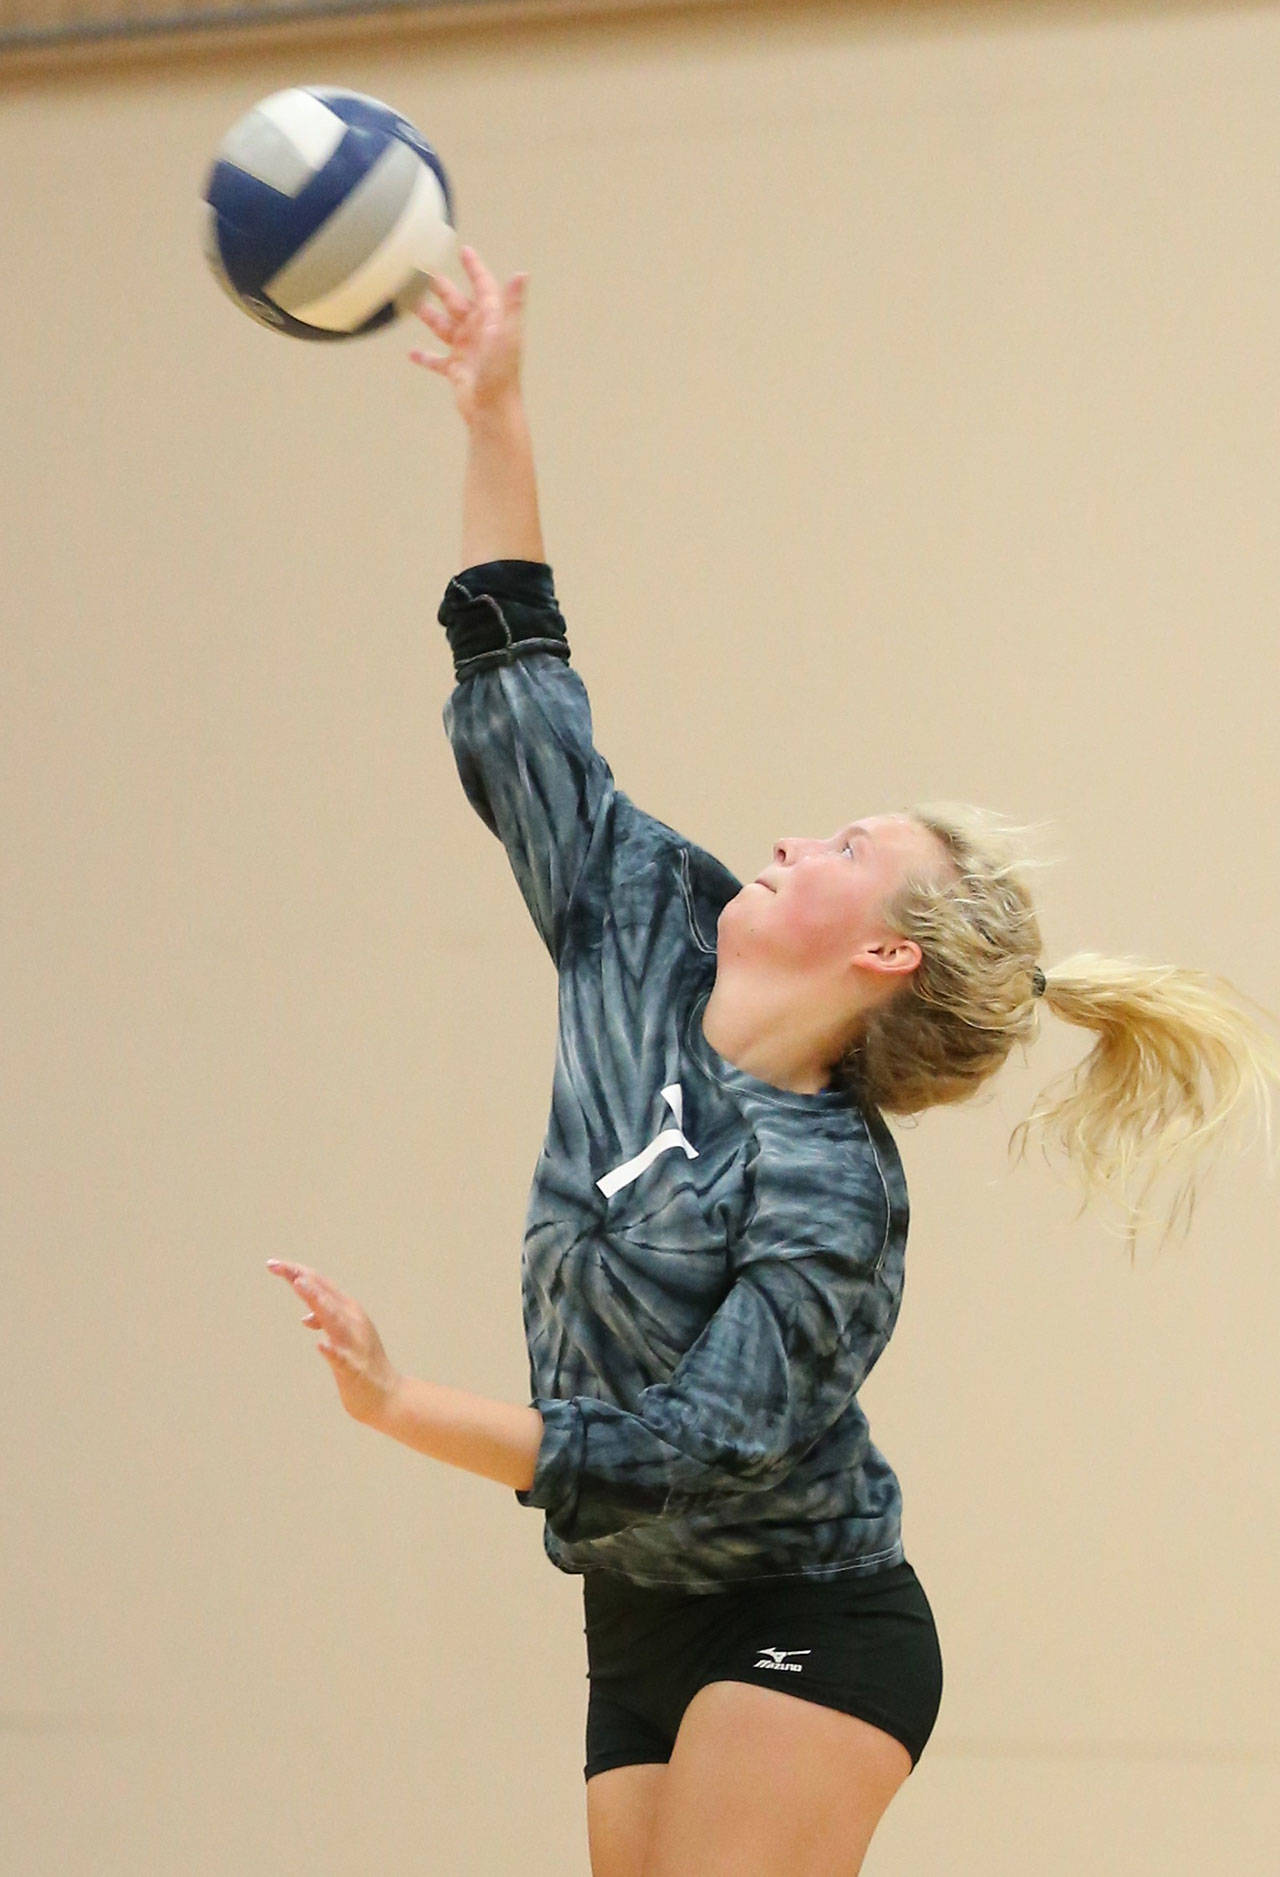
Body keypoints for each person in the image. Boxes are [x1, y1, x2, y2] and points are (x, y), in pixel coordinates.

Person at [268, 246, 1280, 1877]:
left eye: (847, 842)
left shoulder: (829, 1196)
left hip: (811, 1612)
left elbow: (687, 1442)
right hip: (637, 1617)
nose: (797, 834)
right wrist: (496, 413)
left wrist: (402, 1405)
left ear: (884, 950)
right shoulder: (642, 918)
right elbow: (521, 693)